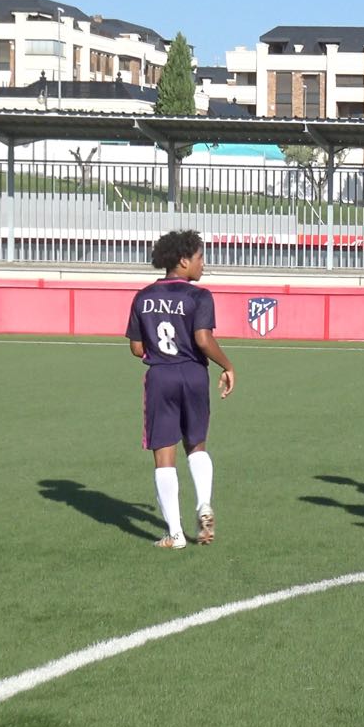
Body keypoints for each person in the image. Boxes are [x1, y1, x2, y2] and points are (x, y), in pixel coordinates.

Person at [125, 230, 235, 550]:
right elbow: (203, 339)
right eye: (200, 257)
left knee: (164, 455)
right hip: (194, 374)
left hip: (161, 376)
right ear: (183, 261)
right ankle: (204, 505)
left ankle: (175, 534)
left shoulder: (143, 297)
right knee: (196, 446)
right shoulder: (199, 296)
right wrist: (227, 365)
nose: (204, 264)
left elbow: (136, 348)